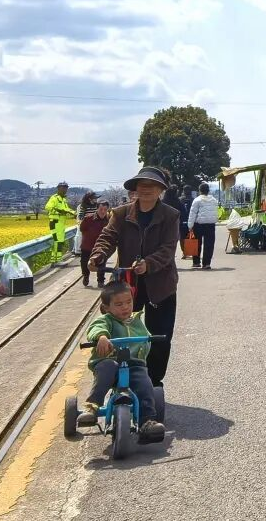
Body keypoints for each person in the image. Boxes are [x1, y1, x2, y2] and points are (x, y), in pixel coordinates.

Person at [89, 166, 180, 388]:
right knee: (119, 332)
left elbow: (168, 249)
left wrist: (149, 264)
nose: (147, 189)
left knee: (159, 336)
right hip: (127, 285)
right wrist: (98, 255)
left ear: (161, 190)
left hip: (161, 285)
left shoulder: (171, 215)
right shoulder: (121, 214)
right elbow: (107, 237)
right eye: (142, 185)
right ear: (135, 189)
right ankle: (122, 377)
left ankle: (153, 382)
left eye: (153, 186)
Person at [76, 281, 165, 443]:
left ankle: (147, 421)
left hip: (133, 364)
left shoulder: (136, 320)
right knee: (107, 368)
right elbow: (96, 328)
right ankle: (92, 406)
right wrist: (102, 337)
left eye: (128, 302)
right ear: (106, 308)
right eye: (118, 304)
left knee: (145, 383)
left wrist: (149, 341)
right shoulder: (106, 320)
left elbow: (146, 338)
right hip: (109, 360)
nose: (125, 307)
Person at [79, 198, 111, 288]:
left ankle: (100, 281)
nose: (103, 212)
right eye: (101, 209)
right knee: (84, 263)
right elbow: (82, 228)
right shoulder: (88, 218)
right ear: (97, 209)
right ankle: (86, 275)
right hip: (88, 245)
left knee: (102, 262)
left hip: (101, 246)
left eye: (105, 209)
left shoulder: (109, 219)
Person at [187, 183, 219, 269]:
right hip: (211, 224)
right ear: (208, 191)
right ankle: (206, 263)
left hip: (198, 225)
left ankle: (196, 262)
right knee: (209, 244)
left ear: (200, 190)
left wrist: (190, 225)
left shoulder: (197, 200)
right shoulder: (214, 200)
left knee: (196, 243)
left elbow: (192, 213)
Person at [162, 184, 186, 254]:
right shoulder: (178, 202)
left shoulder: (163, 201)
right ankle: (178, 252)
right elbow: (183, 213)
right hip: (176, 224)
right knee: (175, 239)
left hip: (164, 224)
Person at [73, 191, 98, 257]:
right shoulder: (83, 206)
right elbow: (80, 216)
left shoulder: (96, 205)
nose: (96, 199)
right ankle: (80, 251)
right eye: (94, 198)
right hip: (87, 224)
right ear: (90, 199)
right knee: (84, 238)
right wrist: (87, 216)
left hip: (94, 224)